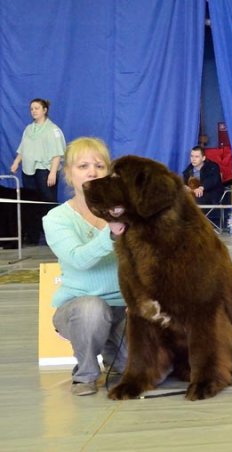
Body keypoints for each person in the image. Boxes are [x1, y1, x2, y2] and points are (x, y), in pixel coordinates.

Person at [42, 137, 127, 396]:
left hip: (125, 308)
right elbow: (79, 259)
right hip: (78, 309)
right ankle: (86, 373)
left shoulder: (126, 212)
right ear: (68, 174)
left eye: (100, 166)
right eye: (83, 166)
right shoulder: (56, 219)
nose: (92, 172)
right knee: (92, 310)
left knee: (151, 369)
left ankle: (114, 354)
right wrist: (111, 233)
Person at [10, 98, 66, 203]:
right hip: (27, 170)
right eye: (31, 109)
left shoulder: (53, 130)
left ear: (45, 110)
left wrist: (53, 173)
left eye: (36, 108)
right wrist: (16, 162)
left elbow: (58, 153)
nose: (33, 111)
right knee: (30, 200)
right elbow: (23, 148)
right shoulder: (28, 129)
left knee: (47, 200)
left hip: (44, 171)